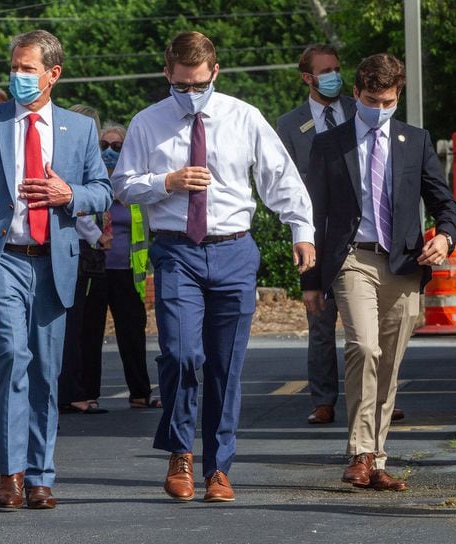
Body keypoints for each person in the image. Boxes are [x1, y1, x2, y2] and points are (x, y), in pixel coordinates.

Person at [112, 31, 315, 503]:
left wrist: (300, 230)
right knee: (182, 356)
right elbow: (123, 185)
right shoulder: (148, 122)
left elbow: (279, 177)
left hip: (233, 250)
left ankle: (217, 468)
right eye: (181, 86)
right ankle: (180, 452)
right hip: (177, 250)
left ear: (215, 73)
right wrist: (167, 181)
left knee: (226, 367)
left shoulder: (243, 117)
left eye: (198, 85)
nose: (190, 94)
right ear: (167, 75)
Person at [0, 30, 112, 509]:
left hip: (54, 263)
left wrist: (70, 195)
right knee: (12, 357)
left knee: (45, 371)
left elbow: (103, 189)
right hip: (1, 261)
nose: (16, 76)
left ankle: (41, 475)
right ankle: (10, 473)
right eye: (13, 68)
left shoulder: (78, 130)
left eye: (27, 69)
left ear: (52, 74)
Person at [302, 53, 456, 492]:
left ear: (398, 96)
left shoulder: (416, 140)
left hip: (404, 264)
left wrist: (444, 238)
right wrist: (310, 281)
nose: (381, 108)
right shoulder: (329, 144)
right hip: (352, 258)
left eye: (389, 100)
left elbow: (445, 203)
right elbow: (312, 216)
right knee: (364, 347)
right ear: (356, 94)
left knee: (388, 364)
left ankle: (377, 457)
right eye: (372, 99)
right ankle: (359, 452)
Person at [276, 44, 361, 425]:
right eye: (325, 71)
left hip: (362, 230)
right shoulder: (290, 124)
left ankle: (371, 401)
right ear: (307, 78)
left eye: (338, 69)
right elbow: (287, 181)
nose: (334, 76)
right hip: (319, 234)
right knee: (321, 323)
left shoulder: (361, 110)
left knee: (367, 331)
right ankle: (323, 400)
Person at [80, 121, 159, 410]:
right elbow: (77, 213)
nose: (110, 152)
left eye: (117, 146)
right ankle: (87, 394)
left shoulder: (132, 185)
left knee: (133, 334)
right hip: (95, 270)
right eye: (104, 146)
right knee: (90, 334)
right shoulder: (90, 181)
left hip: (128, 272)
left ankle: (140, 392)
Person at [57, 103, 109, 415]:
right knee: (74, 324)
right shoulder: (72, 156)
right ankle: (72, 391)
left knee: (79, 324)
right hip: (78, 249)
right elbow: (75, 205)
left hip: (82, 251)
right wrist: (96, 235)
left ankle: (76, 389)